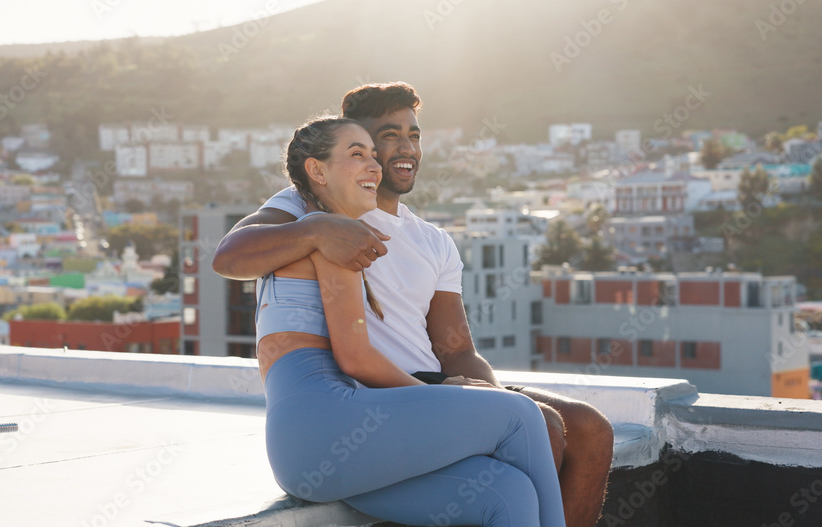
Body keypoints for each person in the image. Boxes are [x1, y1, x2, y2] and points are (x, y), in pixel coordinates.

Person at [213, 83, 613, 527]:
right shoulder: (314, 214)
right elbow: (230, 256)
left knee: (569, 444)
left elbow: (457, 350)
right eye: (381, 139)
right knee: (533, 423)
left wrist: (475, 392)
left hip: (415, 391)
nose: (403, 148)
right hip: (368, 400)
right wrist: (318, 230)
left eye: (414, 135)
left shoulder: (431, 240)